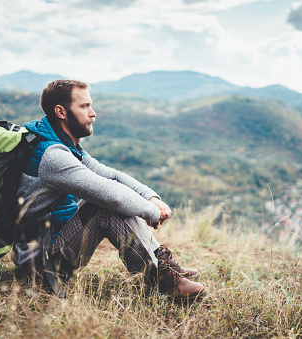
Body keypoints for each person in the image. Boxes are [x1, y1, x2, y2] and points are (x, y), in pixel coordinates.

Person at [12, 79, 206, 301]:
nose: (93, 113)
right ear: (61, 112)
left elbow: (111, 175)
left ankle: (160, 264)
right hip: (40, 265)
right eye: (84, 106)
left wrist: (151, 197)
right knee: (104, 205)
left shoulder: (64, 146)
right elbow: (110, 194)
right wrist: (151, 212)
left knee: (109, 199)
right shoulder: (53, 156)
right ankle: (162, 280)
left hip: (54, 245)